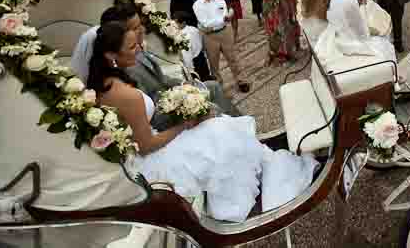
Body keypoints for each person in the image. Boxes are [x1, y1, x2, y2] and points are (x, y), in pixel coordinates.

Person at [88, 21, 317, 223]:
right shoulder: (126, 96)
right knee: (218, 133)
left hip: (149, 141)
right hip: (152, 154)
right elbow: (147, 144)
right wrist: (185, 125)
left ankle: (255, 168)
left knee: (219, 127)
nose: (138, 49)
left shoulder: (105, 84)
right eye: (131, 47)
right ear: (110, 56)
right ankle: (239, 197)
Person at [71, 4, 237, 125]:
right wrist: (186, 99)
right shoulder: (124, 71)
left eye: (140, 24)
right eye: (135, 28)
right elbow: (149, 113)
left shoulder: (136, 49)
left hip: (172, 96)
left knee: (212, 86)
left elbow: (161, 79)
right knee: (212, 107)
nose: (142, 30)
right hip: (165, 113)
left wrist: (185, 85)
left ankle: (242, 125)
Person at [193, 0, 250, 93]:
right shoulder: (197, 5)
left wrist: (224, 18)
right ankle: (219, 86)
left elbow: (224, 13)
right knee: (214, 63)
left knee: (232, 58)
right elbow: (205, 23)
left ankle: (240, 80)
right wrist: (223, 19)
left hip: (225, 32)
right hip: (210, 36)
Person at [173, 10, 213, 82]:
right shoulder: (194, 29)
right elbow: (202, 42)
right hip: (201, 58)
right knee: (206, 78)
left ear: (183, 23)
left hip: (194, 63)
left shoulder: (183, 36)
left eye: (176, 23)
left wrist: (190, 70)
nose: (174, 25)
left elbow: (187, 55)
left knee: (201, 84)